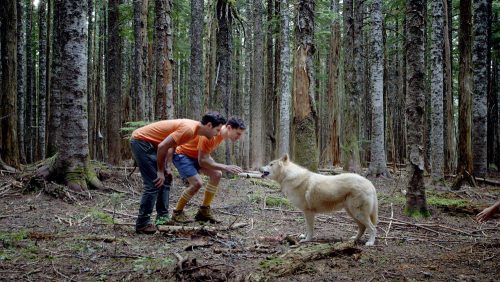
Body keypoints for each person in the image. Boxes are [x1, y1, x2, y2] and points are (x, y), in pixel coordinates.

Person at [130, 112, 227, 234]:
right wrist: (160, 171)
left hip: (153, 145)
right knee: (154, 182)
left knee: (166, 179)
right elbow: (162, 146)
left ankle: (162, 218)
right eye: (217, 130)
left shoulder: (194, 132)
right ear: (209, 125)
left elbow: (171, 146)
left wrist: (167, 167)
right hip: (142, 142)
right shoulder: (189, 130)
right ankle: (142, 224)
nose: (218, 134)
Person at [170, 117, 246, 223]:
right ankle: (177, 212)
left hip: (196, 157)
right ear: (229, 128)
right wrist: (225, 167)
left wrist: (217, 165)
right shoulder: (212, 134)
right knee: (197, 183)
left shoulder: (221, 136)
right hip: (182, 155)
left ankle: (203, 211)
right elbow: (202, 161)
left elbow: (205, 155)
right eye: (238, 133)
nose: (239, 137)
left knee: (217, 174)